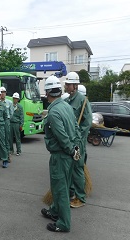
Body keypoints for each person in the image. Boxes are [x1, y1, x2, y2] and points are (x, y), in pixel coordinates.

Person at [41, 75, 81, 233]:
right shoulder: (66, 107)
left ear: (48, 92)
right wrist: (76, 149)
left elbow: (62, 137)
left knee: (60, 189)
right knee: (59, 186)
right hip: (70, 155)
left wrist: (71, 149)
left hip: (61, 155)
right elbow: (76, 130)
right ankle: (55, 211)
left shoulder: (53, 112)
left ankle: (63, 223)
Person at [64, 72, 92, 208]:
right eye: (66, 83)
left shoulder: (82, 100)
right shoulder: (68, 100)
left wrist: (78, 137)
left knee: (77, 168)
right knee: (70, 168)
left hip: (77, 141)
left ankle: (80, 198)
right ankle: (71, 192)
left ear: (75, 85)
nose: (66, 86)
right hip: (69, 140)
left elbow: (87, 121)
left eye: (68, 84)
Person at [0, 86, 14, 162]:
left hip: (6, 121)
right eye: (1, 92)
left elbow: (11, 113)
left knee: (6, 138)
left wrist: (7, 120)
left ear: (5, 93)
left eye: (3, 92)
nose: (2, 94)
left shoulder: (9, 102)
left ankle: (7, 155)